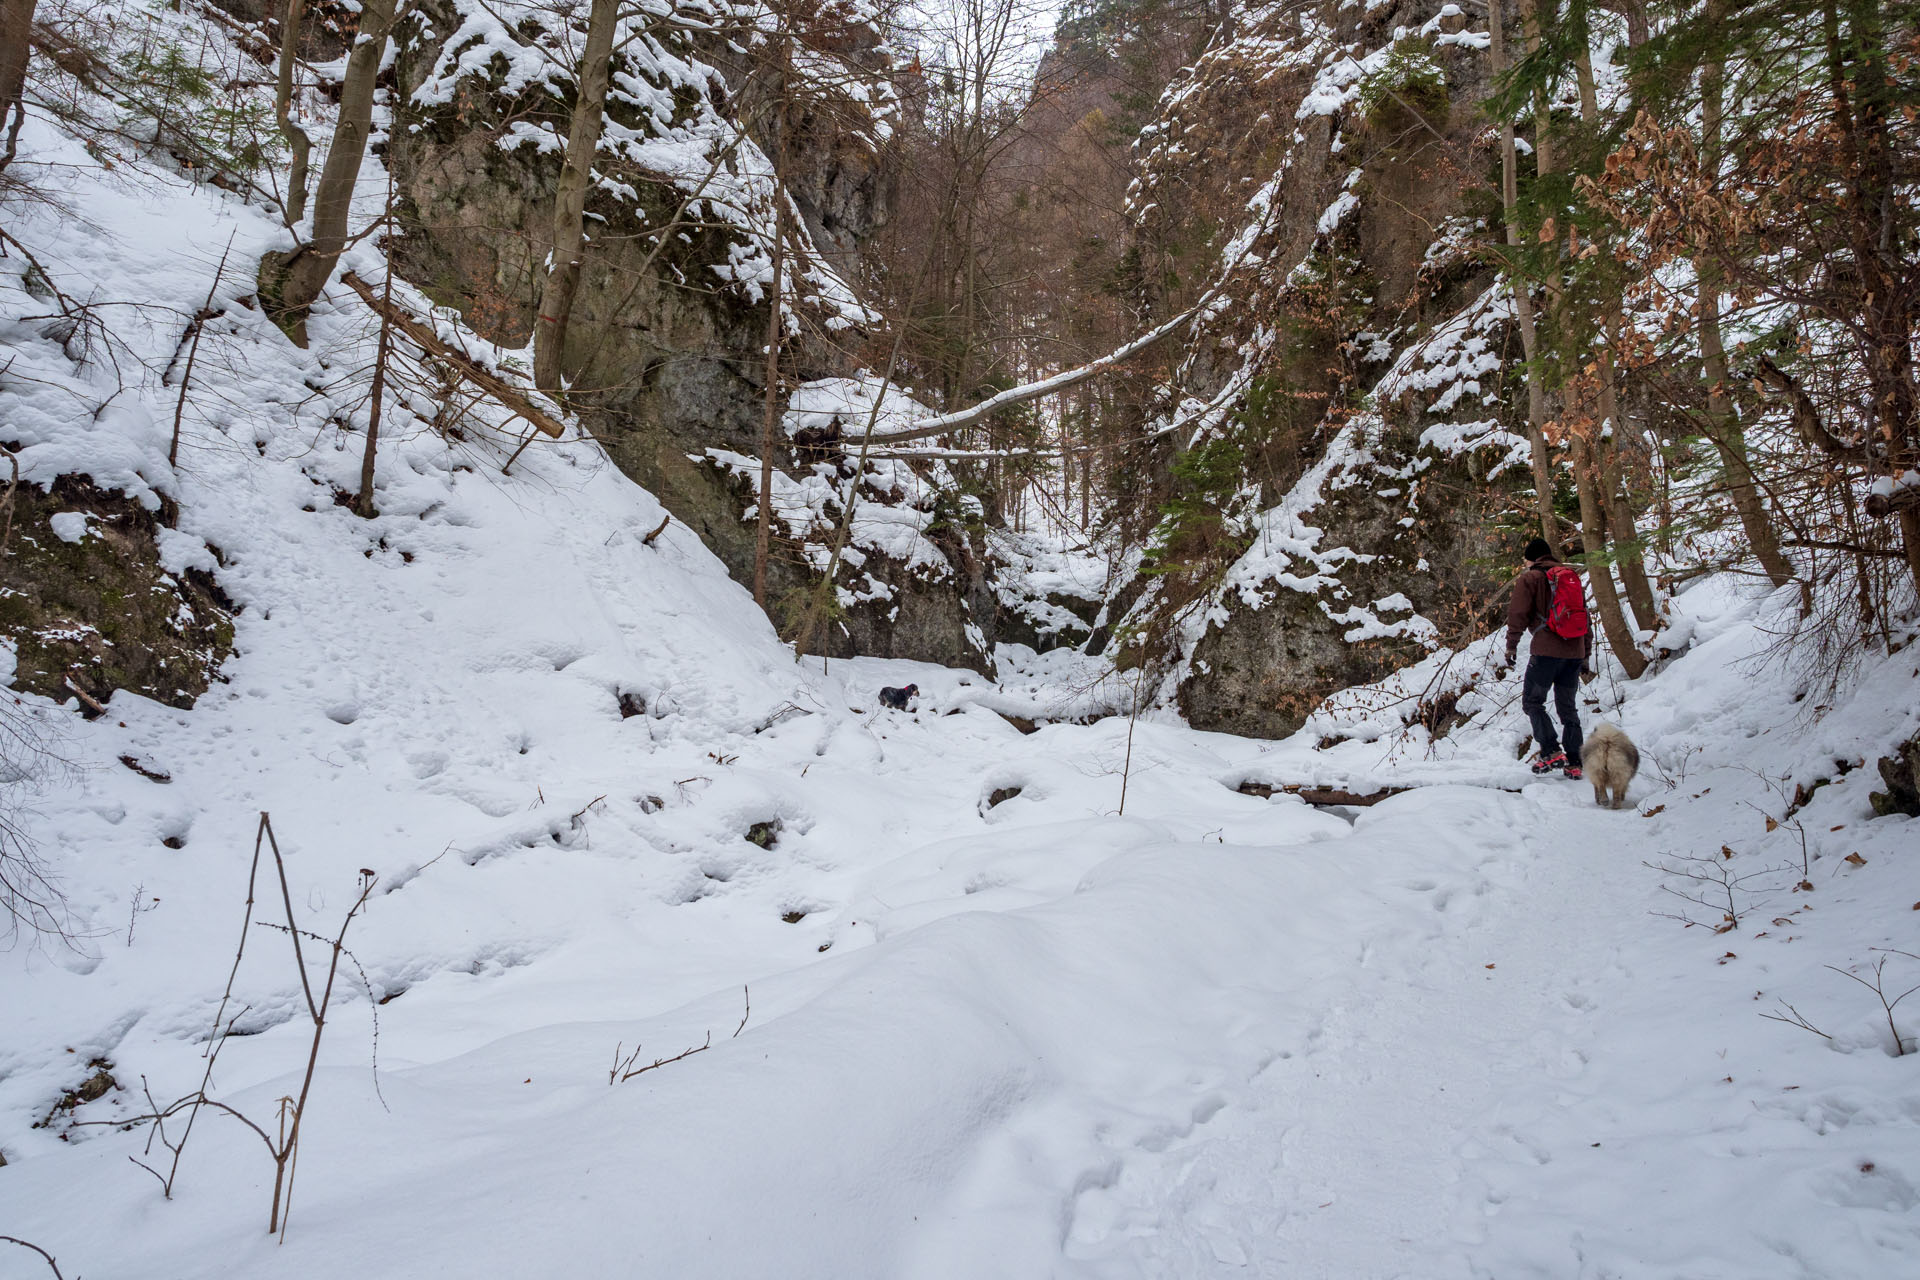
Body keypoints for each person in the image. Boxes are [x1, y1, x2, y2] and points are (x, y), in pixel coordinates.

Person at [1503, 537, 1592, 779]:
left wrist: (1511, 646)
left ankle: (1551, 751)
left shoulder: (1530, 578)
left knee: (1532, 702)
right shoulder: (1569, 577)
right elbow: (1584, 616)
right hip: (1574, 653)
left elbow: (1518, 614)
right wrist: (1585, 653)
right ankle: (1575, 762)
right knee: (1568, 708)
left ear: (1531, 558)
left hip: (1546, 652)